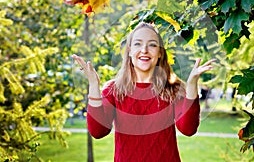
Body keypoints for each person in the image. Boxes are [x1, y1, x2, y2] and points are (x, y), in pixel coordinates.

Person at [72, 22, 215, 162]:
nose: (144, 50)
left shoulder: (172, 88)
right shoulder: (113, 90)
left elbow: (188, 129)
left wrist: (191, 85)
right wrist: (94, 85)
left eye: (152, 44)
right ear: (129, 52)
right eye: (137, 44)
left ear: (160, 53)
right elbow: (98, 132)